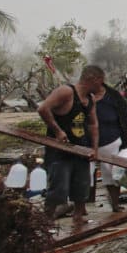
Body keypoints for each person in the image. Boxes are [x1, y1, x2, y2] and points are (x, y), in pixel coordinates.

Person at [37, 65, 102, 225]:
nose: (101, 87)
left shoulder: (90, 99)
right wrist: (57, 131)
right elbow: (43, 108)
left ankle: (78, 218)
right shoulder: (66, 92)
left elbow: (93, 124)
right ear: (91, 79)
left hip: (81, 149)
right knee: (58, 189)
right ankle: (46, 221)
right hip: (60, 151)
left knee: (81, 187)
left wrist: (94, 148)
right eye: (100, 82)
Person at [90, 78, 127, 212]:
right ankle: (81, 207)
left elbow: (125, 117)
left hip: (110, 140)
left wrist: (125, 140)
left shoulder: (113, 98)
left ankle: (115, 203)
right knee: (83, 175)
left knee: (113, 174)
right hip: (85, 142)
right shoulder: (82, 98)